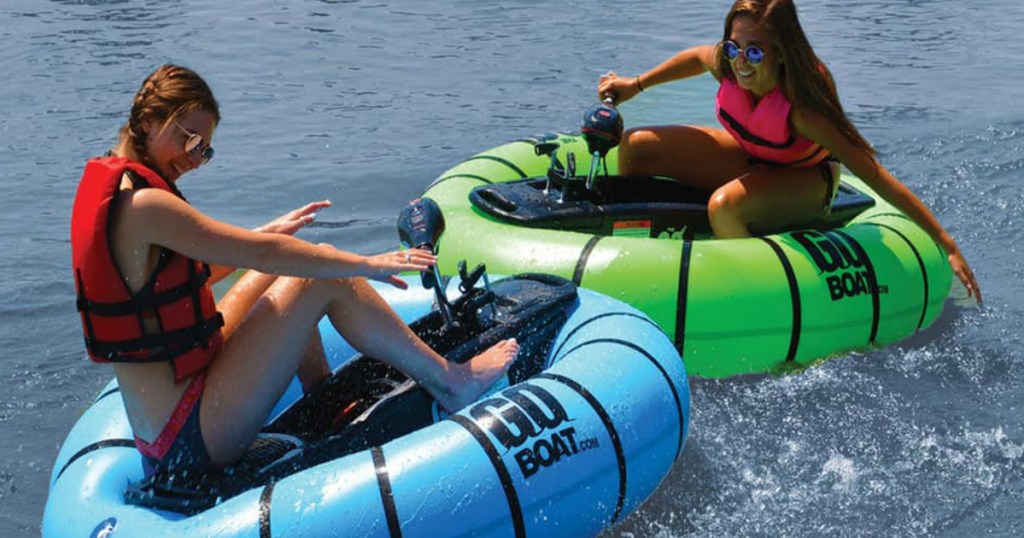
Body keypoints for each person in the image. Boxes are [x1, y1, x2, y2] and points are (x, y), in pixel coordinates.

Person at [70, 64, 519, 477]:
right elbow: (263, 254)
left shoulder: (117, 190)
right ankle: (451, 380)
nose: (193, 158)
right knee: (317, 276)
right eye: (190, 140)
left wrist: (272, 234)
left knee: (296, 263)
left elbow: (189, 280)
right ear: (150, 120)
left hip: (172, 423)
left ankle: (322, 398)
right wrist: (368, 263)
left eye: (204, 150)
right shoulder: (146, 204)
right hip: (189, 439)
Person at [597, 0, 981, 304]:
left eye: (755, 53)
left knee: (725, 206)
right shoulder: (729, 63)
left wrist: (945, 243)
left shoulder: (803, 111)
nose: (741, 61)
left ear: (780, 53)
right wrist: (636, 84)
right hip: (755, 158)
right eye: (734, 47)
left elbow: (875, 176)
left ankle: (745, 291)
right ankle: (637, 259)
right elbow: (698, 56)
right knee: (636, 146)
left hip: (806, 183)